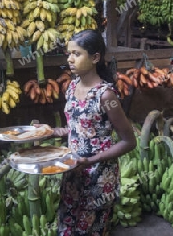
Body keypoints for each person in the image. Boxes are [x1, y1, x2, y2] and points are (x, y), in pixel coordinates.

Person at [51, 29, 136, 236]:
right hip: (73, 172)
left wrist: (90, 161)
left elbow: (129, 141)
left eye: (77, 54)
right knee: (67, 226)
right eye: (69, 53)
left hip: (98, 177)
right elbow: (78, 129)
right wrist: (50, 131)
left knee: (91, 230)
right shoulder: (71, 87)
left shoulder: (106, 95)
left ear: (95, 57)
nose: (70, 59)